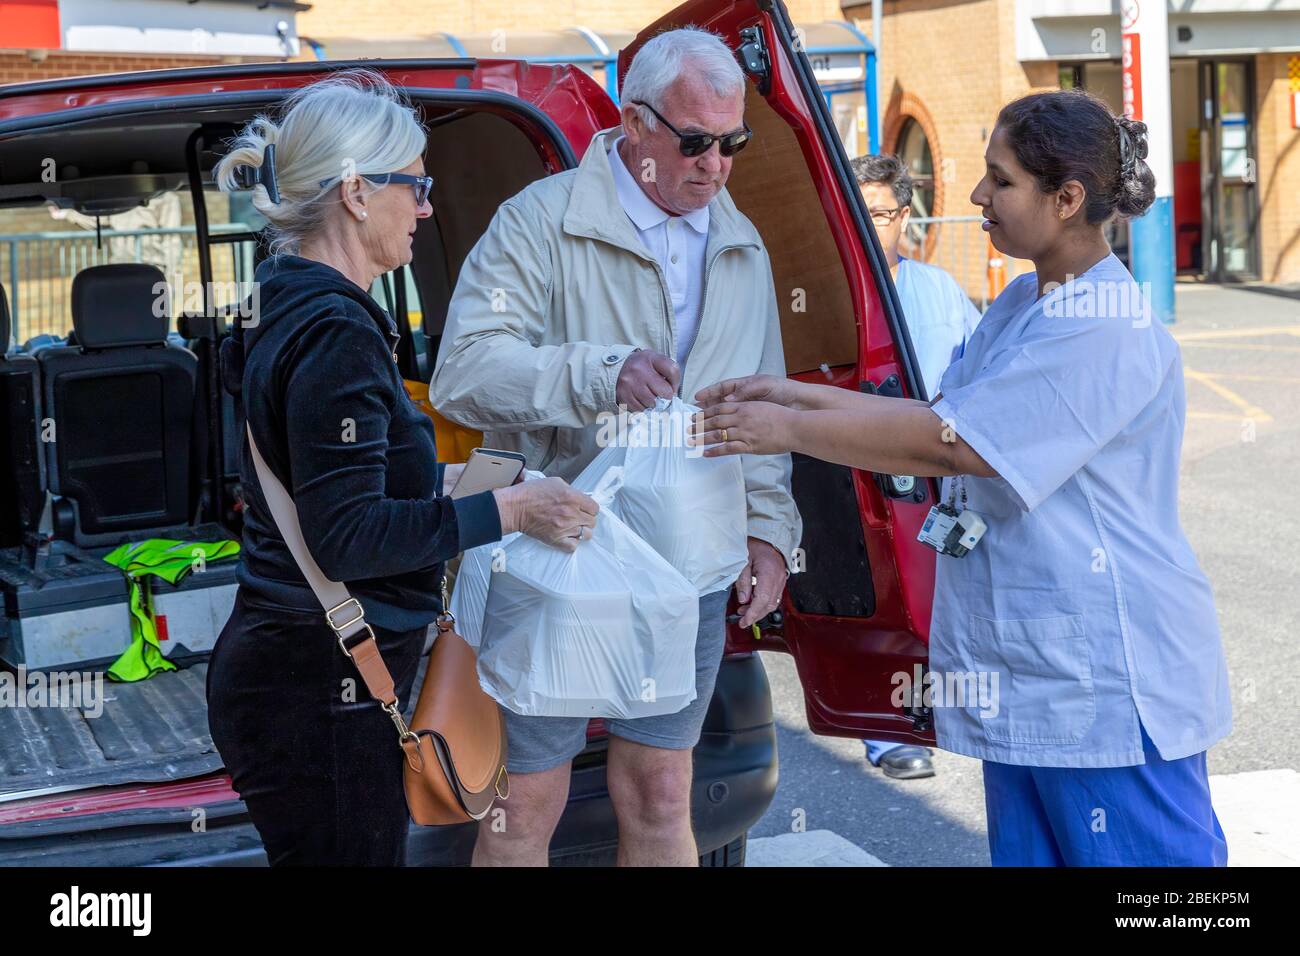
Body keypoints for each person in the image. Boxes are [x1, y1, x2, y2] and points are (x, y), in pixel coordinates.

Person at [692, 88, 1231, 866]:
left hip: (1109, 685)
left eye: (1001, 179)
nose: (977, 195)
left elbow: (951, 445)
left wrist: (786, 425)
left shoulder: (1102, 328)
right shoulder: (1026, 303)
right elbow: (934, 412)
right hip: (1039, 673)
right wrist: (789, 393)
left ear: (1068, 198)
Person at [429, 27, 802, 867]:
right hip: (559, 542)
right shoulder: (541, 219)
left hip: (686, 563)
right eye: (695, 141)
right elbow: (462, 372)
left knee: (664, 789)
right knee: (524, 802)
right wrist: (599, 371)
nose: (716, 165)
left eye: (732, 142)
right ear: (635, 124)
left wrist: (772, 528)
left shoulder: (738, 238)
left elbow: (764, 402)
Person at [206, 70, 597, 867]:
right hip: (319, 688)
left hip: (293, 671)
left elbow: (339, 485)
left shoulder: (284, 302)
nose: (425, 206)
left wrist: (451, 487)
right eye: (415, 186)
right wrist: (513, 512)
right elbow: (349, 536)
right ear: (355, 191)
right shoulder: (335, 332)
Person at [851, 153, 983, 780]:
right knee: (877, 599)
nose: (863, 223)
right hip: (855, 471)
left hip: (931, 472)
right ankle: (886, 729)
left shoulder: (940, 291)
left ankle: (929, 711)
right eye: (854, 210)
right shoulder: (829, 295)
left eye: (876, 213)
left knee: (928, 596)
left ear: (904, 215)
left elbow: (979, 371)